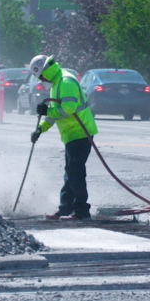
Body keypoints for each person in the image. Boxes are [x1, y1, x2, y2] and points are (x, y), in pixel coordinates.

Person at [28, 55, 98, 221]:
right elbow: (54, 114)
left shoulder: (65, 82)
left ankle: (81, 211)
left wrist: (47, 112)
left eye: (41, 76)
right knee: (70, 173)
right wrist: (40, 129)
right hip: (72, 134)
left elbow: (68, 108)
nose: (42, 80)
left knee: (75, 173)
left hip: (81, 133)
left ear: (45, 71)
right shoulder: (57, 82)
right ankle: (65, 209)